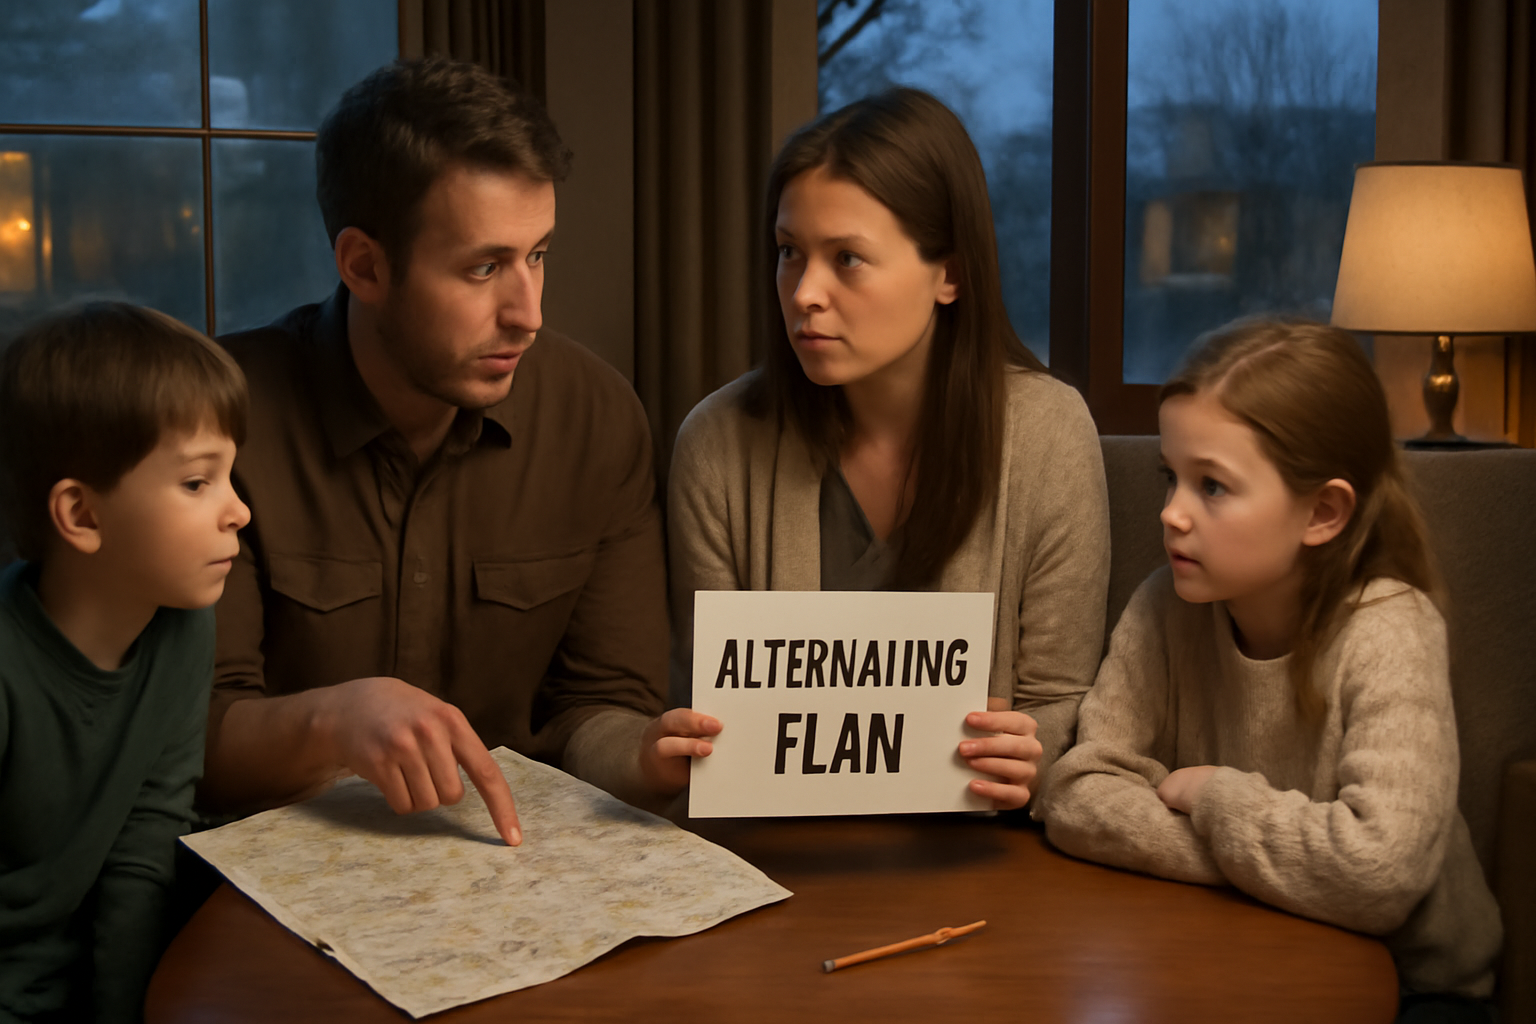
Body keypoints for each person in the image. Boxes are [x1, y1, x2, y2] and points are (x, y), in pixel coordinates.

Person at [202, 58, 714, 844]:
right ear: (365, 265)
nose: (528, 313)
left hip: (510, 866)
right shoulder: (222, 419)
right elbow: (191, 738)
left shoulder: (596, 417)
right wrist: (337, 720)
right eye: (484, 268)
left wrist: (643, 757)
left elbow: (597, 704)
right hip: (272, 882)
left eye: (537, 255)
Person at [667, 88, 1111, 810]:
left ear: (951, 273)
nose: (804, 292)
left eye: (847, 258)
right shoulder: (715, 442)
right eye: (788, 253)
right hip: (773, 855)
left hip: (985, 859)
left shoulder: (1050, 433)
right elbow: (712, 705)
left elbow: (1063, 703)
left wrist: (1026, 753)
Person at [1038, 318, 1502, 1004]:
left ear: (1323, 511)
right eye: (1172, 477)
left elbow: (1379, 875)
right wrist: (1278, 865)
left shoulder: (1391, 630)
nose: (1171, 513)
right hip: (1226, 950)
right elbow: (1076, 797)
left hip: (1413, 990)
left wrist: (1215, 796)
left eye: (1213, 486)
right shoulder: (1166, 603)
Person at [0, 303, 251, 1023]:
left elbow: (144, 850)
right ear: (81, 515)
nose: (238, 511)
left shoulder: (183, 627)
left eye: (231, 477)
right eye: (198, 482)